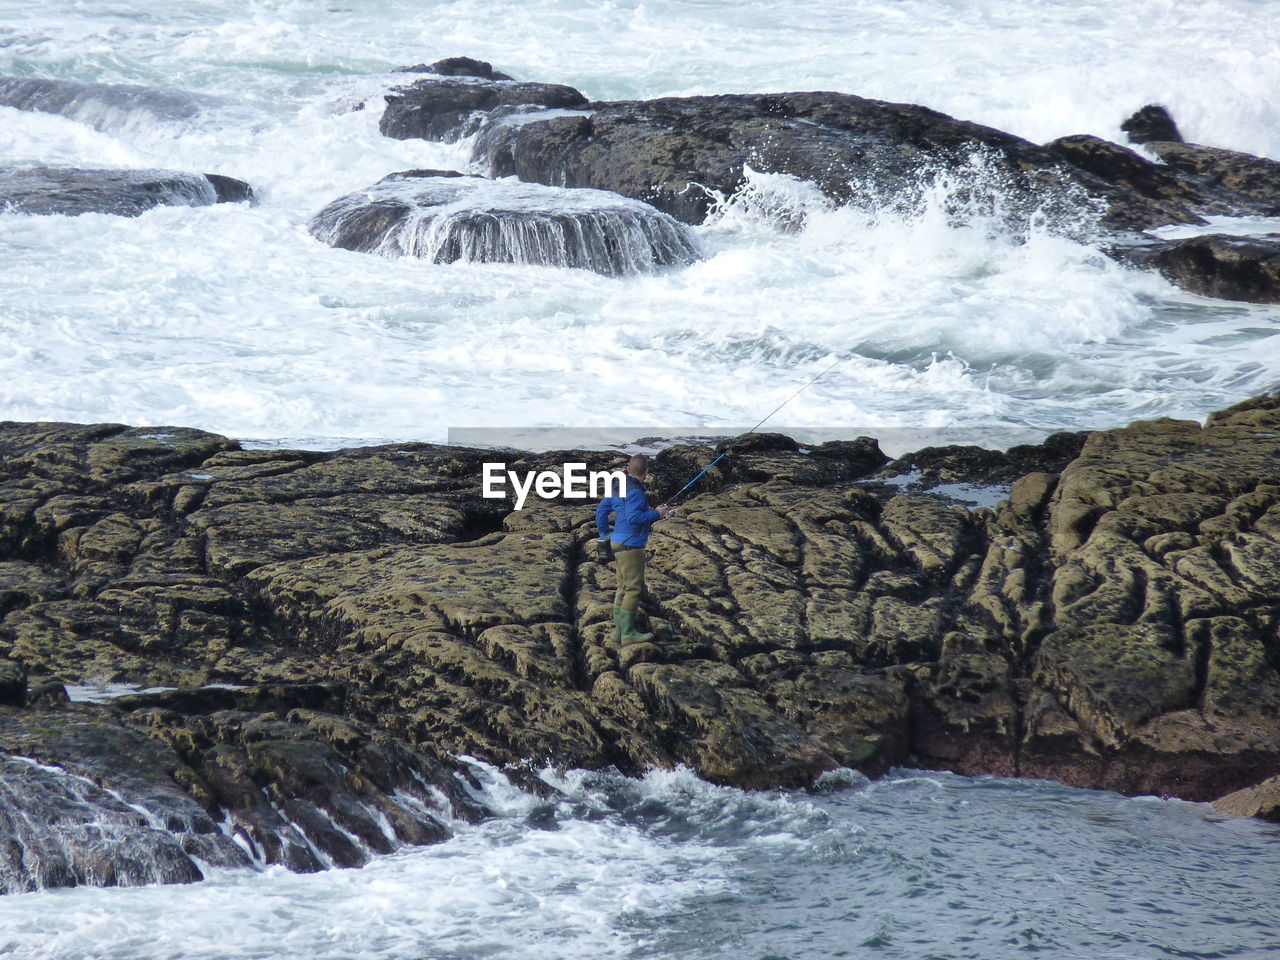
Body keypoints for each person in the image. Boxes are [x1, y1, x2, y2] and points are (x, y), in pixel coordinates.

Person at [595, 453, 671, 643]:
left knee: (622, 587)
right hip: (631, 545)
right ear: (647, 472)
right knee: (634, 589)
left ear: (628, 469)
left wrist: (604, 534)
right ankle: (628, 634)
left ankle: (618, 633)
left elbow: (601, 510)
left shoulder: (618, 487)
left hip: (617, 542)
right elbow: (634, 518)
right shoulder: (636, 492)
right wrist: (656, 514)